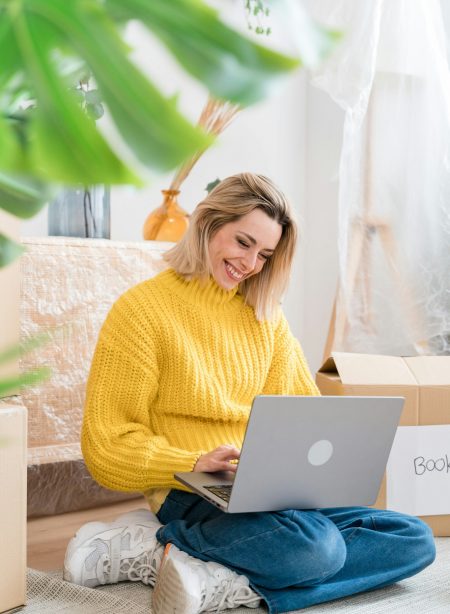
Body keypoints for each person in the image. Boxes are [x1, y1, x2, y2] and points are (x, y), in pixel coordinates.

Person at [64, 173, 435, 613]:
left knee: (414, 540)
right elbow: (105, 448)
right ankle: (156, 541)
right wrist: (193, 463)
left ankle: (225, 579)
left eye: (264, 254)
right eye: (243, 242)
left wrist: (322, 469)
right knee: (316, 551)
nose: (250, 263)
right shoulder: (142, 311)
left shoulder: (266, 318)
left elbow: (304, 415)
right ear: (208, 224)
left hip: (270, 488)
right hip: (193, 489)